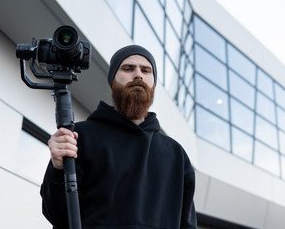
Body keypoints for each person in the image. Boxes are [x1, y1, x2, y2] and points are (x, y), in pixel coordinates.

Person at [40, 45, 197, 229]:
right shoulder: (79, 137)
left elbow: (187, 225)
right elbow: (56, 214)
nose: (138, 75)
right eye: (128, 68)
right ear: (113, 81)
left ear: (153, 83)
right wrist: (58, 168)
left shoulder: (176, 155)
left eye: (146, 70)